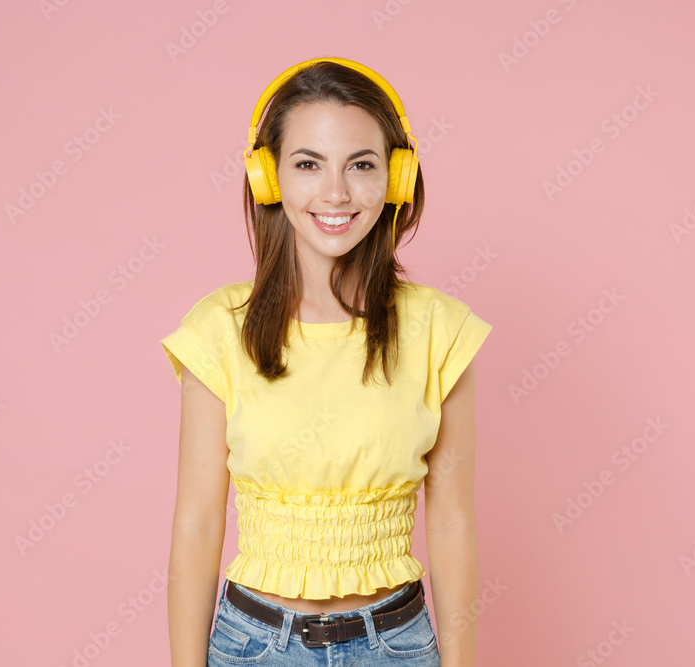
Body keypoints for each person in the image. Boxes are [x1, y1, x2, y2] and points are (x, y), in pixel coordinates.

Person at [161, 57, 492, 666]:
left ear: (396, 178)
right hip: (253, 646)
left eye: (361, 165)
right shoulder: (218, 329)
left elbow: (452, 526)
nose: (335, 193)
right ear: (268, 178)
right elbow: (198, 524)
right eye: (308, 164)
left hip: (396, 645)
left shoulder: (441, 331)